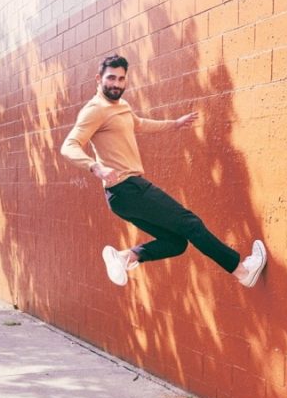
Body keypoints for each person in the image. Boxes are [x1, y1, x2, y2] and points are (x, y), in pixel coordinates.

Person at [60, 54, 267, 287]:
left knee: (176, 242)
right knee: (191, 224)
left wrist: (174, 124)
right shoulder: (95, 110)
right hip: (127, 188)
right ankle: (242, 271)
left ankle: (125, 257)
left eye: (121, 79)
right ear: (98, 79)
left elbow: (139, 124)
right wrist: (95, 167)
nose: (116, 84)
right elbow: (69, 145)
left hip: (121, 197)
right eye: (111, 78)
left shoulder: (121, 107)